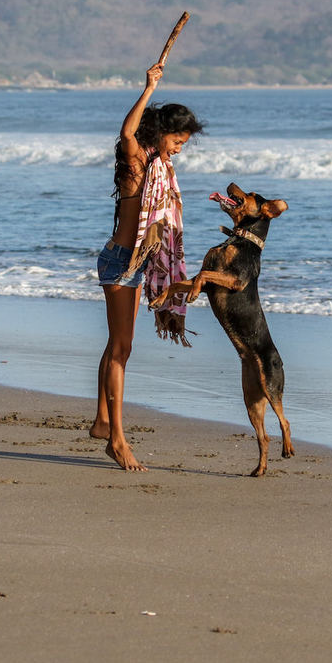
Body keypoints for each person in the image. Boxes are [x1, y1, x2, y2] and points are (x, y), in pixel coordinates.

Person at [90, 62, 205, 471]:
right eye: (177, 140)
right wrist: (149, 87)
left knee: (118, 345)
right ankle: (117, 441)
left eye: (184, 143)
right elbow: (126, 132)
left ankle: (103, 420)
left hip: (136, 265)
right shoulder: (138, 162)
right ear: (161, 133)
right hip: (121, 264)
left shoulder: (160, 168)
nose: (179, 148)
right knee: (121, 348)